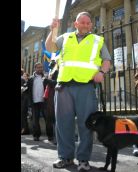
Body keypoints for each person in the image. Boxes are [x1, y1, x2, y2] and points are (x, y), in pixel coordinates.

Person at [45, 12, 111, 171]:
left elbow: (107, 60)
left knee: (86, 125)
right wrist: (52, 30)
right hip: (64, 86)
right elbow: (50, 47)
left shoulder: (98, 40)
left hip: (86, 87)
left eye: (89, 23)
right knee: (63, 124)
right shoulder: (65, 37)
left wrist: (102, 72)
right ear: (76, 24)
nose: (86, 25)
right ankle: (65, 157)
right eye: (83, 22)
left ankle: (83, 160)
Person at [28, 62, 54, 141]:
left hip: (44, 102)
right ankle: (36, 135)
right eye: (38, 67)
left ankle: (50, 136)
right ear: (35, 68)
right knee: (35, 120)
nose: (40, 69)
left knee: (48, 119)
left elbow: (53, 83)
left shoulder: (45, 77)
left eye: (41, 67)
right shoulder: (31, 79)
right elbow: (28, 90)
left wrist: (49, 80)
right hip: (34, 102)